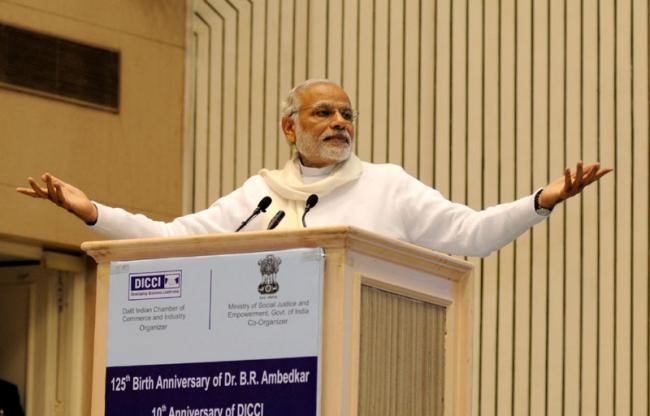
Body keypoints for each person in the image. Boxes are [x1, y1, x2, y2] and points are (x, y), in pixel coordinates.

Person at [17, 79, 611, 257]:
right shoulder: (260, 197)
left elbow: (470, 234)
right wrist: (93, 213)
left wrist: (540, 201)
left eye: (347, 114)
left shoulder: (388, 185)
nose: (339, 123)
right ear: (290, 128)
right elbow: (172, 239)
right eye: (323, 112)